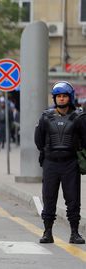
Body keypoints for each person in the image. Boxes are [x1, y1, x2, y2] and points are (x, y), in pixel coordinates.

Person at [34, 81, 84, 244]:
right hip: (51, 163)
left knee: (73, 200)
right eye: (58, 96)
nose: (61, 99)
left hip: (70, 164)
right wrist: (48, 154)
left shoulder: (79, 117)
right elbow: (38, 140)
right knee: (49, 198)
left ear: (69, 97)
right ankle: (47, 232)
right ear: (55, 98)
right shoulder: (45, 117)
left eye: (64, 96)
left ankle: (74, 233)